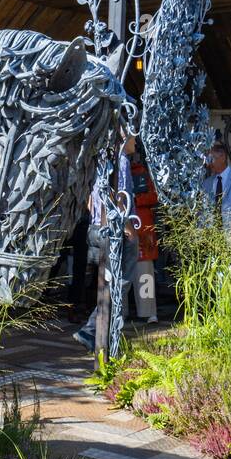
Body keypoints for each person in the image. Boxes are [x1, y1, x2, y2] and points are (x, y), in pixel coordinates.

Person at [74, 136, 140, 351]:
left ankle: (99, 332)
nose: (136, 140)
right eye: (133, 135)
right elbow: (118, 197)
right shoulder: (121, 161)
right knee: (120, 281)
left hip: (95, 228)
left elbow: (88, 196)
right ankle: (94, 331)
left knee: (109, 282)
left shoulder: (96, 159)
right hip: (115, 230)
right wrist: (129, 228)